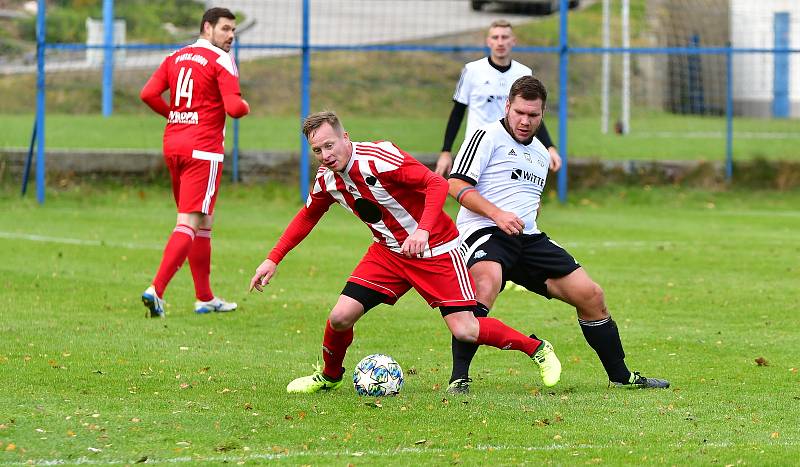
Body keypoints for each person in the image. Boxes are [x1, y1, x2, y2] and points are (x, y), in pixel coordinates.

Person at [249, 111, 562, 394]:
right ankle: (330, 377)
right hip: (388, 253)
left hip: (438, 249)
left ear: (345, 137)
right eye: (317, 150)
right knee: (341, 317)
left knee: (466, 329)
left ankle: (536, 348)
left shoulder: (379, 157)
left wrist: (422, 230)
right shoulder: (327, 180)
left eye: (329, 145)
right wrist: (272, 258)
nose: (325, 155)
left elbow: (436, 184)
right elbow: (306, 217)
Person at [446, 76, 670, 394]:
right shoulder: (486, 135)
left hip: (528, 238)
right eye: (519, 112)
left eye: (533, 115)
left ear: (542, 114)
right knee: (486, 283)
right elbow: (455, 184)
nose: (525, 121)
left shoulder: (539, 154)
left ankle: (621, 376)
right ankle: (460, 378)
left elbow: (527, 201)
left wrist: (527, 212)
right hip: (486, 231)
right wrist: (496, 213)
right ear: (507, 106)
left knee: (591, 294)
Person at [139, 7, 250, 317]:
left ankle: (205, 297)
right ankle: (156, 290)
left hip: (174, 145)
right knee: (188, 221)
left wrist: (177, 116)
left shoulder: (176, 56)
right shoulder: (221, 60)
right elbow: (234, 108)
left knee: (203, 220)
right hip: (203, 150)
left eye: (233, 30)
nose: (231, 36)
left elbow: (148, 93)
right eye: (225, 29)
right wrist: (245, 105)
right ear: (207, 28)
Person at [435, 19, 562, 177]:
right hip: (478, 147)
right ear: (488, 41)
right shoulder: (471, 70)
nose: (500, 42)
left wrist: (550, 147)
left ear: (513, 41)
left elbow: (531, 113)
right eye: (495, 37)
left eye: (505, 37)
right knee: (470, 195)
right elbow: (457, 112)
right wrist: (446, 151)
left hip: (511, 149)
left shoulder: (524, 73)